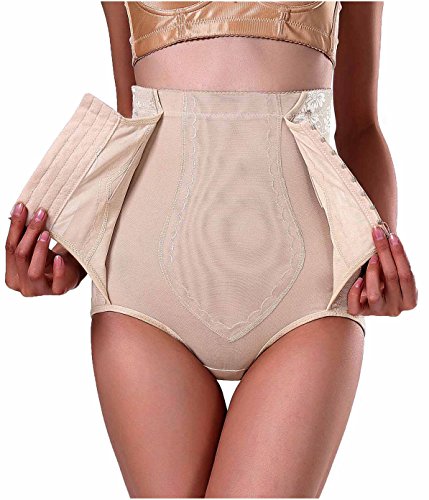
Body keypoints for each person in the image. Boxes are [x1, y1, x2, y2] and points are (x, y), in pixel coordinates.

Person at [5, 2, 418, 497]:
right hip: (144, 286)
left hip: (311, 288)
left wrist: (380, 254)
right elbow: (132, 114)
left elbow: (360, 126)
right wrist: (72, 252)